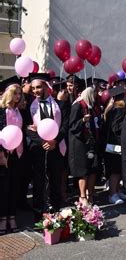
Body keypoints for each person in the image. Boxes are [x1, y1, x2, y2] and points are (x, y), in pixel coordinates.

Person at [26, 73, 68, 221]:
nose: (36, 91)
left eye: (38, 87)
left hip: (55, 148)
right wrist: (41, 142)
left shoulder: (59, 105)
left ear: (46, 86)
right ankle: (39, 214)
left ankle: (56, 212)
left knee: (55, 179)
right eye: (33, 88)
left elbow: (64, 126)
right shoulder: (29, 107)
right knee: (39, 181)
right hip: (38, 149)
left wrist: (54, 141)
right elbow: (27, 129)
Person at [0, 76, 23, 235]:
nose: (18, 96)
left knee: (14, 186)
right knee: (3, 188)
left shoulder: (18, 111)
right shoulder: (1, 112)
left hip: (17, 154)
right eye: (16, 93)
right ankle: (2, 219)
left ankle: (12, 217)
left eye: (20, 94)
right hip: (3, 154)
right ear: (9, 94)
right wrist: (1, 154)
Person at [69, 87, 99, 205]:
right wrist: (82, 120)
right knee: (83, 171)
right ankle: (82, 196)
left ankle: (90, 194)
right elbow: (72, 126)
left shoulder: (92, 107)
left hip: (91, 142)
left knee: (93, 169)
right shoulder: (78, 106)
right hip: (80, 143)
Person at [103, 86, 126, 205]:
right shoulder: (118, 109)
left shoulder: (114, 108)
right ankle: (112, 193)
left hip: (114, 144)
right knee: (115, 170)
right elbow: (115, 127)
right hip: (114, 144)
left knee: (118, 169)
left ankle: (117, 191)